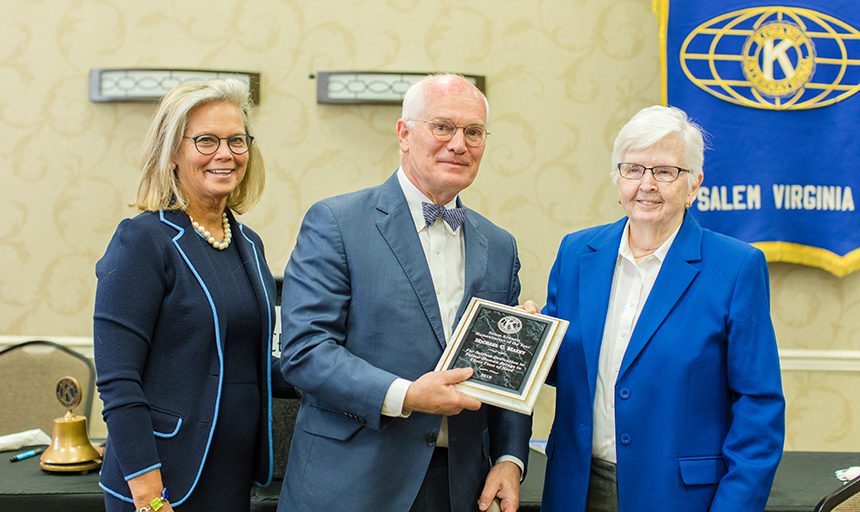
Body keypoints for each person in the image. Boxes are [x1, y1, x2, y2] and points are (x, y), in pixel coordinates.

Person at [277, 74, 532, 512]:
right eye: (442, 127)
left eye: (473, 132)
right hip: (351, 482)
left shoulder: (500, 244)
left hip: (461, 486)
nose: (459, 144)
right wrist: (407, 395)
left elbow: (505, 377)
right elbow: (305, 350)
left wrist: (510, 459)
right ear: (404, 133)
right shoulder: (336, 222)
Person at [539, 105, 785, 512]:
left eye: (665, 171)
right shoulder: (577, 253)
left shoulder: (736, 267)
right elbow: (563, 366)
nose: (647, 184)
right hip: (575, 487)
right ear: (617, 180)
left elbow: (759, 407)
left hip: (681, 497)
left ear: (694, 185)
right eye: (633, 169)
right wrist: (524, 338)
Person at [93, 78, 294, 512]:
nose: (225, 154)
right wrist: (147, 492)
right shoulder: (143, 241)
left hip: (232, 473)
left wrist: (334, 369)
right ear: (173, 151)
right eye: (206, 140)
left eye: (236, 140)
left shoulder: (247, 242)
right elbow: (117, 381)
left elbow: (251, 360)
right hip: (161, 479)